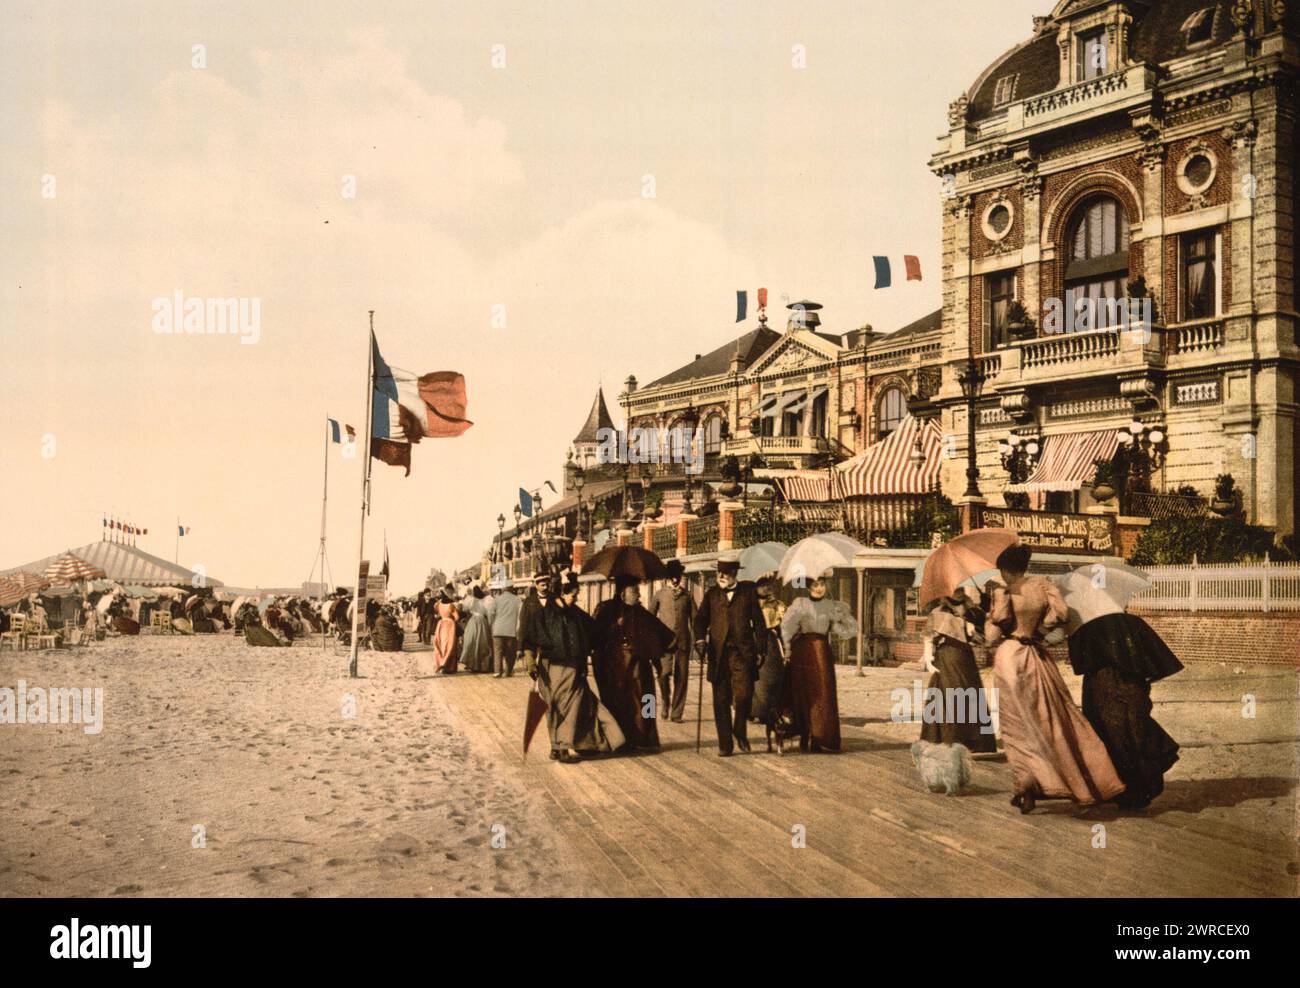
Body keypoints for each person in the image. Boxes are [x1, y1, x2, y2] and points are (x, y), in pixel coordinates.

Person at [984, 543, 1125, 814]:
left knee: (1018, 725)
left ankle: (1026, 785)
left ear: (1005, 570)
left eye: (1001, 571)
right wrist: (1037, 629)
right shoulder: (1043, 586)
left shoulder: (1003, 592)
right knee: (1054, 717)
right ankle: (1083, 781)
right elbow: (1059, 616)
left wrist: (990, 618)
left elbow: (992, 636)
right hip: (1037, 655)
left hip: (1010, 658)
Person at [1068, 610, 1182, 809]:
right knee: (1134, 731)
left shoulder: (1087, 627)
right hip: (1130, 688)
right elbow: (1153, 662)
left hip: (1102, 687)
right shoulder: (1132, 622)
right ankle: (1140, 788)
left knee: (1108, 734)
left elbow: (1080, 662)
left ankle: (1119, 788)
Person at [520, 573, 625, 763]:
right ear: (562, 593)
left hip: (574, 668)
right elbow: (528, 640)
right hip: (551, 668)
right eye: (573, 595)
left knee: (571, 707)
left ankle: (565, 747)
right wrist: (530, 663)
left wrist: (614, 625)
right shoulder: (542, 616)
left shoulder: (576, 614)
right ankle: (557, 746)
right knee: (555, 708)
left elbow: (596, 630)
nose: (576, 599)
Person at [592, 576, 676, 750]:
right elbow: (595, 636)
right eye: (634, 591)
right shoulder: (606, 610)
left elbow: (661, 631)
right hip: (615, 668)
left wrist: (673, 643)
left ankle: (648, 738)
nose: (639, 595)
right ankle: (621, 740)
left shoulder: (641, 612)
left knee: (647, 700)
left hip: (640, 667)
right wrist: (616, 626)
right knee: (619, 703)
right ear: (623, 594)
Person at [693, 557, 766, 756]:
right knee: (721, 699)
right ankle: (725, 744)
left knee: (743, 696)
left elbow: (759, 623)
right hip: (718, 655)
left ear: (735, 573)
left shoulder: (747, 593)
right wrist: (700, 640)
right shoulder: (712, 594)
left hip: (742, 653)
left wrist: (761, 649)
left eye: (725, 572)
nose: (721, 576)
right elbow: (700, 620)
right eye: (719, 572)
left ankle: (739, 729)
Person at [780, 572, 857, 753]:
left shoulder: (831, 605)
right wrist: (788, 650)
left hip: (822, 652)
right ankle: (805, 733)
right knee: (805, 694)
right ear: (808, 587)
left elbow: (847, 632)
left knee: (823, 693)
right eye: (815, 585)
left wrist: (842, 617)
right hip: (803, 652)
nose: (819, 588)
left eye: (822, 584)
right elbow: (787, 628)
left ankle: (820, 737)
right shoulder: (800, 604)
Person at [919, 589, 997, 754]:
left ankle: (973, 741)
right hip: (947, 657)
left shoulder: (972, 612)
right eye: (955, 592)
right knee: (950, 695)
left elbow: (983, 640)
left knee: (970, 695)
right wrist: (928, 658)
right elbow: (928, 637)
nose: (958, 594)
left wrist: (973, 628)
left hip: (965, 658)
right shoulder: (939, 612)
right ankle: (949, 739)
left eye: (960, 591)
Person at [647, 560, 695, 722]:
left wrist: (699, 640)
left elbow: (695, 620)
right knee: (663, 673)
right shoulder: (660, 594)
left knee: (681, 677)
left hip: (683, 642)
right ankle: (665, 702)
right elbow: (649, 618)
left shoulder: (687, 595)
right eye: (672, 577)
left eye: (678, 577)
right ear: (667, 578)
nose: (675, 580)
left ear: (681, 577)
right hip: (664, 643)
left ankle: (676, 713)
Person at [751, 575, 795, 749]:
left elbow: (781, 626)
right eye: (762, 586)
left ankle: (771, 709)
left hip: (770, 642)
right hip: (754, 640)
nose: (766, 589)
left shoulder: (776, 605)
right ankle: (756, 710)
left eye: (768, 586)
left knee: (772, 677)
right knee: (756, 678)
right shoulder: (751, 604)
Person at [489, 585, 522, 677]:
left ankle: (497, 671)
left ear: (502, 589)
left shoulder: (496, 599)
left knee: (497, 651)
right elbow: (520, 616)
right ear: (512, 590)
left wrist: (491, 624)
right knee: (510, 652)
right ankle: (508, 671)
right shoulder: (518, 600)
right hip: (511, 629)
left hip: (498, 628)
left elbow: (491, 613)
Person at [459, 586, 493, 672]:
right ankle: (483, 665)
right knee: (483, 643)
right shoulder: (486, 600)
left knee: (471, 642)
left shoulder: (471, 600)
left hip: (473, 621)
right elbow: (489, 612)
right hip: (482, 621)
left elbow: (464, 609)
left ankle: (472, 664)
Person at [431, 589, 460, 674]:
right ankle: (449, 666)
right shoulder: (451, 605)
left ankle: (441, 662)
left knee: (441, 644)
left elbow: (438, 614)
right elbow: (457, 617)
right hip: (450, 625)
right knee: (450, 644)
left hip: (441, 624)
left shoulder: (439, 605)